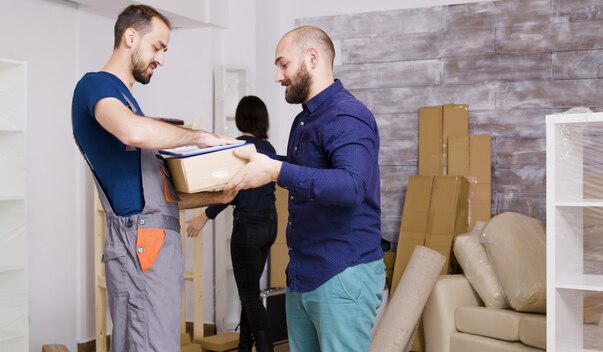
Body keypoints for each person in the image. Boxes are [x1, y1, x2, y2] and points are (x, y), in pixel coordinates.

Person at [71, 5, 238, 351]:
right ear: (130, 37)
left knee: (155, 342)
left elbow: (161, 198)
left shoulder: (130, 104)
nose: (161, 58)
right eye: (158, 47)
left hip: (155, 243)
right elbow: (132, 132)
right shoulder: (95, 87)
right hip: (140, 245)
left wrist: (218, 196)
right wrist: (198, 136)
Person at [224, 25, 385, 352]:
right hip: (305, 273)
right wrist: (261, 157)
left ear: (312, 58)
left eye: (283, 64)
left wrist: (276, 170)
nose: (277, 76)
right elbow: (310, 170)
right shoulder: (307, 119)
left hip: (342, 273)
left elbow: (352, 185)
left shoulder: (347, 115)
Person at [186, 95, 278, 352]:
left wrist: (204, 215)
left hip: (248, 228)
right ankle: (243, 346)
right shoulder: (267, 149)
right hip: (270, 225)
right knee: (249, 294)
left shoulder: (238, 148)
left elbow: (230, 190)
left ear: (241, 119)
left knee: (249, 296)